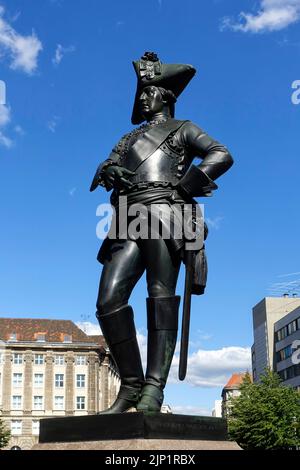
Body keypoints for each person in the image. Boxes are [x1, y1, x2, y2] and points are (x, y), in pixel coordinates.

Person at [90, 52, 233, 413]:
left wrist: (185, 187)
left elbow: (220, 154)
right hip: (127, 217)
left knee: (160, 295)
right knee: (108, 300)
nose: (142, 97)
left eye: (149, 91)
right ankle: (131, 385)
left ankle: (153, 387)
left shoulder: (184, 127)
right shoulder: (127, 139)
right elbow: (105, 166)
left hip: (166, 212)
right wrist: (111, 173)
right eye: (141, 92)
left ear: (167, 96)